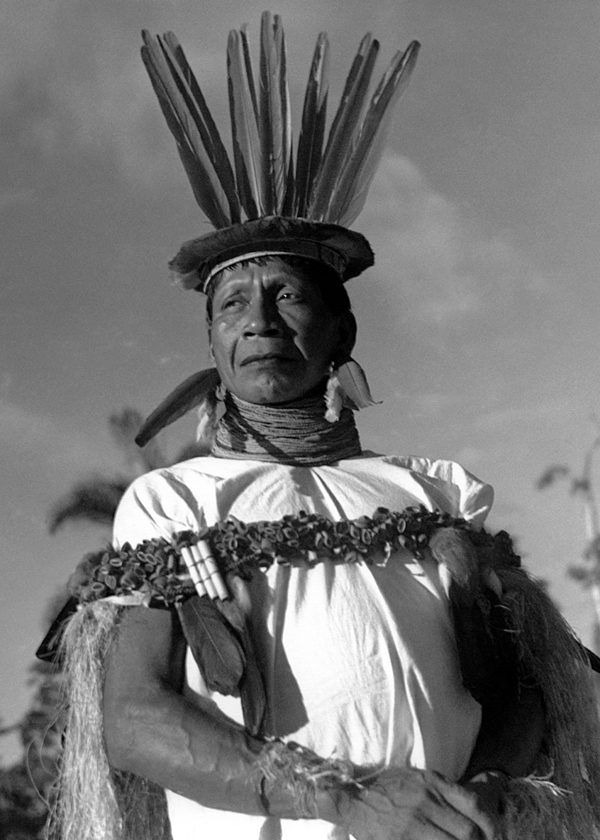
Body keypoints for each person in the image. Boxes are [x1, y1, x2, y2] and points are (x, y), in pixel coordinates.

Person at [45, 13, 600, 840]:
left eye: (289, 295)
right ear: (212, 343)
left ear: (341, 331)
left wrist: (485, 788)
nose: (260, 320)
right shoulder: (172, 504)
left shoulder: (435, 491)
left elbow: (522, 690)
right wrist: (344, 798)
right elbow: (134, 718)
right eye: (234, 303)